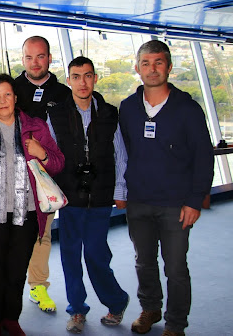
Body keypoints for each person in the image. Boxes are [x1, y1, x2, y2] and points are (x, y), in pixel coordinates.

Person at [119, 40, 214, 336]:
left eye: (158, 62)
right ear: (137, 68)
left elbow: (203, 157)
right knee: (144, 263)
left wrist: (195, 200)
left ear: (169, 67)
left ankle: (175, 323)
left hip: (176, 205)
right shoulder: (128, 108)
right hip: (139, 201)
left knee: (175, 268)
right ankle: (150, 308)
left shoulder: (188, 109)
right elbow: (123, 152)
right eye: (146, 63)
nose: (152, 69)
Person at [0, 74, 64, 336]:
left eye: (7, 95)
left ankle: (11, 318)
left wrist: (41, 153)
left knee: (17, 268)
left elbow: (58, 163)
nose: (3, 101)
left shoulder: (36, 126)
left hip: (28, 211)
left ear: (15, 97)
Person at [46, 57, 130, 333]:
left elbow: (120, 155)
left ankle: (116, 301)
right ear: (68, 80)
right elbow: (50, 156)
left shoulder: (109, 113)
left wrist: (120, 190)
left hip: (101, 196)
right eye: (76, 76)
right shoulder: (55, 114)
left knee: (96, 254)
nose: (82, 82)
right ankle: (77, 310)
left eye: (88, 76)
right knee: (70, 256)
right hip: (70, 197)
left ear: (95, 78)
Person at [13, 35, 70, 312]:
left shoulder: (64, 94)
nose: (35, 62)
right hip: (12, 176)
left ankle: (38, 286)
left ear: (49, 58)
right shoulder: (11, 89)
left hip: (47, 176)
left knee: (42, 235)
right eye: (29, 57)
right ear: (22, 59)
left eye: (40, 56)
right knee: (4, 236)